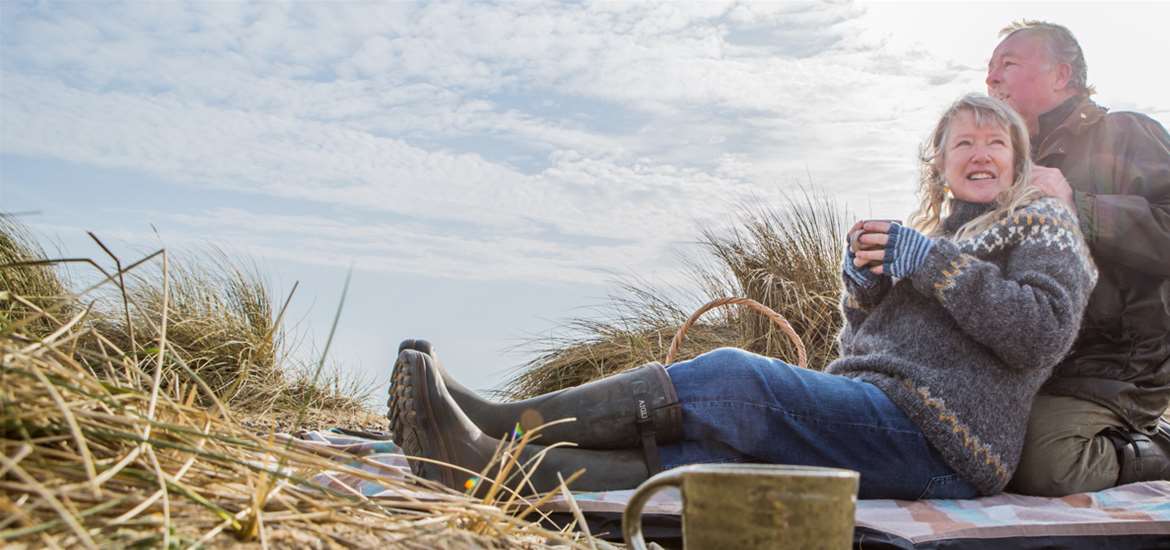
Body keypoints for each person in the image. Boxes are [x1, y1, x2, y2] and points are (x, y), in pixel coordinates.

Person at [387, 94, 1096, 499]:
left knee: (735, 381)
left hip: (949, 440)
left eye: (996, 143)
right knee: (703, 450)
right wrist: (862, 294)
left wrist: (933, 266)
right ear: (939, 167)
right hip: (881, 411)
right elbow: (867, 352)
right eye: (963, 142)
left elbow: (1041, 332)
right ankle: (492, 465)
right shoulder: (925, 233)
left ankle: (505, 419)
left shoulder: (1041, 222)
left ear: (1017, 161)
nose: (980, 153)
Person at [985, 20, 1170, 496]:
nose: (991, 79)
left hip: (1117, 367)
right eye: (988, 69)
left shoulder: (1126, 132)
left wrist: (1077, 206)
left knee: (1047, 465)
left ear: (1061, 74)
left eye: (1007, 64)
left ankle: (1159, 448)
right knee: (969, 443)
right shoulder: (1003, 166)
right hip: (1038, 368)